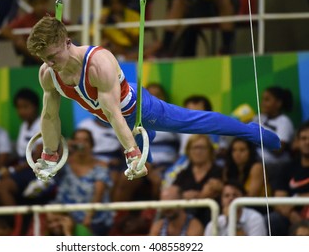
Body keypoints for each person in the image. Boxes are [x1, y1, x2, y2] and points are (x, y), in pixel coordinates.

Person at [25, 15, 280, 182]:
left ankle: (250, 131)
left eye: (53, 56)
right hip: (109, 116)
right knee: (133, 143)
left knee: (196, 123)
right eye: (44, 58)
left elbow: (115, 113)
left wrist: (133, 153)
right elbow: (49, 115)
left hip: (140, 110)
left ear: (68, 42)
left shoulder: (98, 64)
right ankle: (145, 140)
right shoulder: (48, 73)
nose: (49, 63)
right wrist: (49, 155)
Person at [51, 129, 113, 236]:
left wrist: (88, 217)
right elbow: (50, 167)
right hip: (67, 215)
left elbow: (98, 194)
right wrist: (65, 149)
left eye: (85, 141)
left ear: (91, 145)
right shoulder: (65, 164)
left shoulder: (101, 166)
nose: (81, 144)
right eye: (78, 140)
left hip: (93, 219)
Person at [269, 121, 309, 236]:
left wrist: (298, 198)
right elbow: (278, 200)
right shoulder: (287, 167)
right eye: (303, 138)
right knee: (274, 219)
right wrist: (291, 214)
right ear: (297, 142)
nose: (307, 142)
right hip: (293, 216)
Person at [253, 86, 295, 189]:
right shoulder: (259, 118)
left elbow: (278, 148)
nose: (262, 103)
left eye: (267, 100)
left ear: (278, 103)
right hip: (257, 163)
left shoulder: (284, 121)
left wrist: (258, 136)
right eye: (262, 99)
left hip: (275, 167)